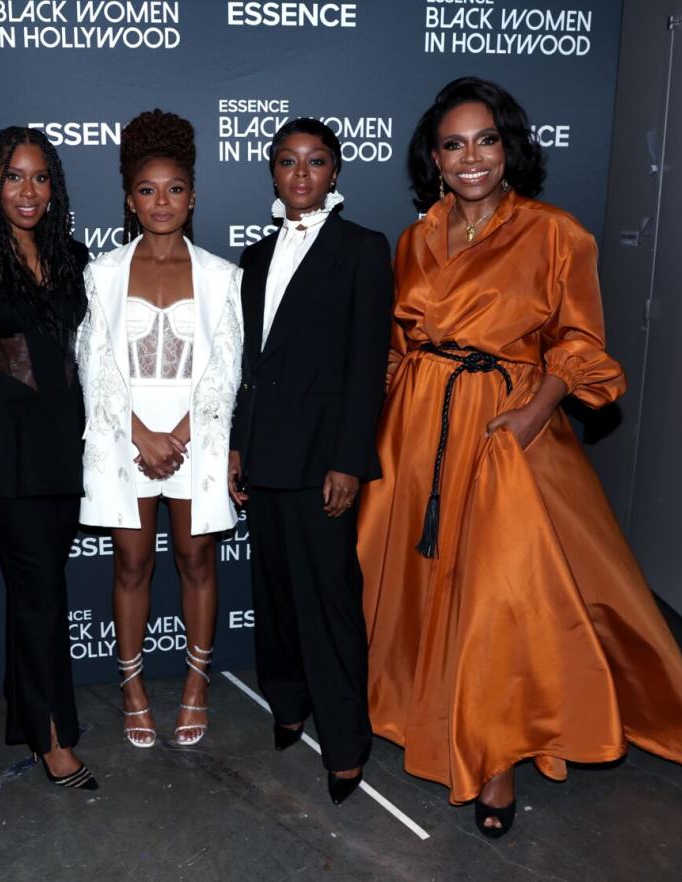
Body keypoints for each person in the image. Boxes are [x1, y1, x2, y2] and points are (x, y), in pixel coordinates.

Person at [358, 77, 682, 838]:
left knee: (498, 600)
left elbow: (579, 341)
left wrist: (531, 415)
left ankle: (496, 758)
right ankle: (417, 715)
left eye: (486, 140)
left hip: (505, 427)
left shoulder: (555, 233)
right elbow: (397, 349)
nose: (471, 158)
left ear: (510, 148)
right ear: (433, 158)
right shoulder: (414, 238)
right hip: (420, 430)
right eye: (454, 144)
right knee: (420, 586)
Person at [228, 118, 392, 805]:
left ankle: (347, 742)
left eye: (315, 161)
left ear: (335, 173)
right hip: (264, 453)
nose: (301, 174)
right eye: (288, 162)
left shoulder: (362, 249)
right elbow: (248, 363)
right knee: (273, 597)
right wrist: (237, 443)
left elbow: (366, 366)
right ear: (271, 171)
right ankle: (287, 705)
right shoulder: (255, 257)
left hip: (322, 458)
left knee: (328, 604)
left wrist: (349, 460)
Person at [77, 109, 243, 749]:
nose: (162, 201)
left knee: (198, 558)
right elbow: (94, 362)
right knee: (132, 561)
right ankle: (133, 687)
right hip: (123, 432)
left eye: (175, 189)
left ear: (193, 196)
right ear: (130, 200)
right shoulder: (102, 274)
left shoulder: (223, 277)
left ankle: (198, 687)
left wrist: (180, 433)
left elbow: (226, 365)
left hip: (197, 434)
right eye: (148, 190)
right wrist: (140, 431)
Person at [0, 127, 96, 789]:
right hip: (0, 446)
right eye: (14, 176)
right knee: (42, 593)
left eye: (40, 177)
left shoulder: (72, 253)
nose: (28, 190)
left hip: (61, 445)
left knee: (33, 592)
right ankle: (50, 737)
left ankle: (24, 712)